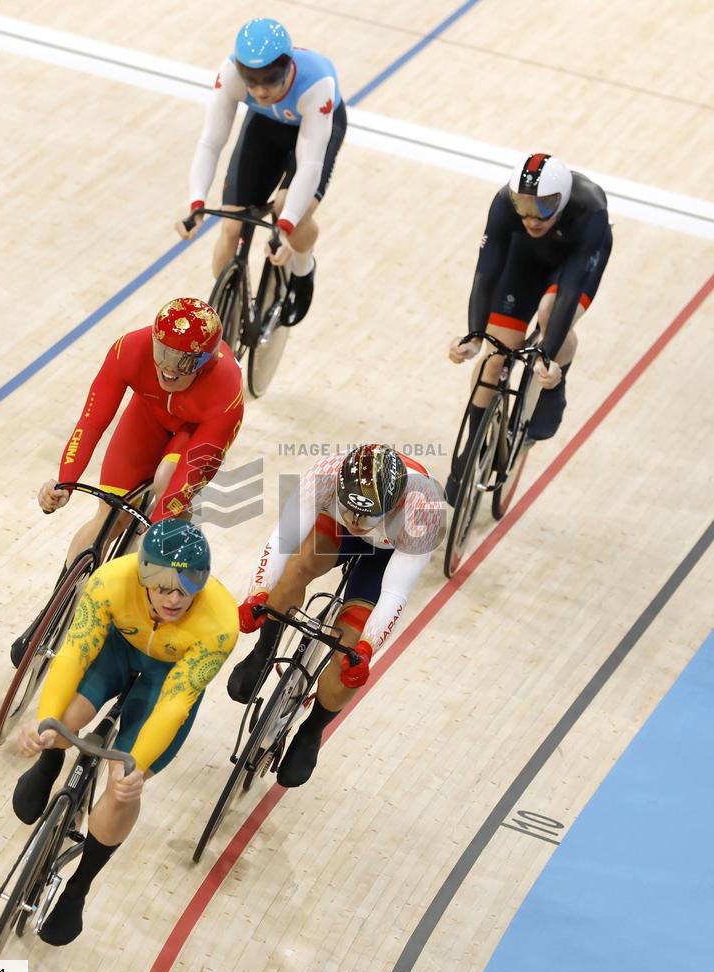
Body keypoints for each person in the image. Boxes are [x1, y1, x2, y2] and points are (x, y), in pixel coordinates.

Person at [13, 518, 238, 945]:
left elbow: (175, 704)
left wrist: (135, 766)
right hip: (117, 652)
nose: (175, 599)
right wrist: (45, 719)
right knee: (66, 717)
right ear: (144, 578)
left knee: (122, 783)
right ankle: (50, 760)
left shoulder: (220, 622)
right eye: (164, 588)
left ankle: (80, 884)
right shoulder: (110, 582)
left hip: (167, 680)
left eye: (187, 588)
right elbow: (76, 652)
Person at [12, 296, 243, 665]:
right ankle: (52, 614)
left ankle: (154, 603)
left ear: (203, 362)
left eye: (181, 362)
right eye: (162, 353)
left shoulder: (226, 388)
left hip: (195, 434)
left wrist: (160, 530)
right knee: (107, 515)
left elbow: (189, 474)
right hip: (147, 419)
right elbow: (92, 420)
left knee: (169, 482)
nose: (167, 369)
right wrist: (65, 481)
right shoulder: (130, 349)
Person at [227, 445, 446, 787]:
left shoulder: (423, 509)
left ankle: (313, 730)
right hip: (334, 528)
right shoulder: (324, 476)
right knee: (297, 567)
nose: (358, 524)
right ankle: (262, 652)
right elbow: (282, 541)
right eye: (352, 512)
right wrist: (257, 595)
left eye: (366, 517)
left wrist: (366, 650)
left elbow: (394, 592)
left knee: (351, 645)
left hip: (388, 556)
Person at [446, 152, 613, 503]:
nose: (532, 218)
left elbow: (570, 294)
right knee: (495, 356)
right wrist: (475, 334)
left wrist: (548, 355)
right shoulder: (504, 205)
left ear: (563, 201)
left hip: (572, 269)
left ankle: (554, 383)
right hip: (524, 264)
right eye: (523, 206)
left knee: (552, 313)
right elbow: (486, 272)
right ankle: (469, 453)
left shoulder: (590, 210)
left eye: (543, 209)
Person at [176, 17, 346, 326]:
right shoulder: (229, 74)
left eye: (270, 79)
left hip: (313, 131)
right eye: (251, 80)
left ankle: (303, 269)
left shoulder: (317, 83)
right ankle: (226, 317)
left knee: (289, 211)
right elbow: (210, 142)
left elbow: (309, 164)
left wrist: (285, 224)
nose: (260, 89)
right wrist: (197, 202)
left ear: (287, 67)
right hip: (266, 128)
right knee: (230, 227)